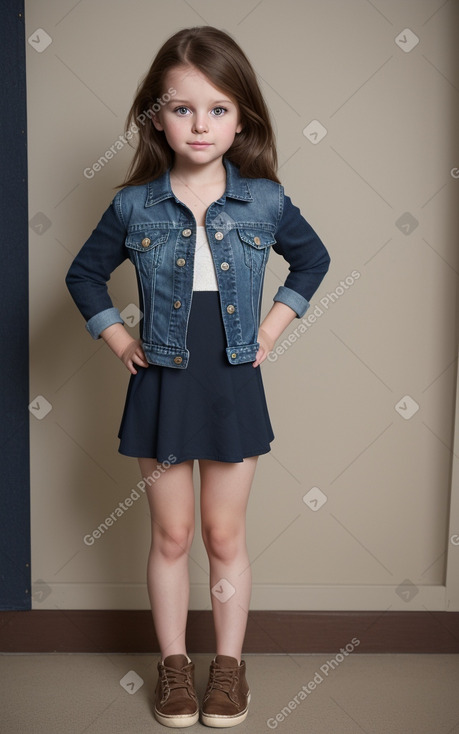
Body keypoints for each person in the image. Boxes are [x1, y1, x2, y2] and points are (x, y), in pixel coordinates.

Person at [66, 25, 330, 729]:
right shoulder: (134, 205)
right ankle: (175, 667)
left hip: (231, 379)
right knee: (172, 535)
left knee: (223, 534)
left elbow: (312, 263)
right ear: (156, 116)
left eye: (217, 108)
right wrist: (119, 338)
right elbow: (84, 275)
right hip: (163, 380)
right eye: (182, 108)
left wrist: (270, 331)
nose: (200, 124)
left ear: (241, 115)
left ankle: (229, 671)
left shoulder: (265, 201)